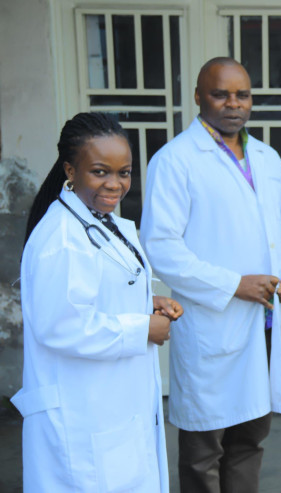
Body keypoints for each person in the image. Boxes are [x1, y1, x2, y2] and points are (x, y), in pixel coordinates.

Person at [140, 57, 281, 493]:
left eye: (242, 95)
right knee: (204, 450)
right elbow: (161, 247)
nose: (234, 104)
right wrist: (234, 284)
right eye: (221, 94)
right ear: (199, 97)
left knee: (250, 439)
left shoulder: (267, 158)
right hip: (211, 326)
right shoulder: (175, 160)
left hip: (262, 325)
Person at [11, 112, 182, 492]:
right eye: (100, 172)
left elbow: (96, 292)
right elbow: (63, 325)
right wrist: (143, 328)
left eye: (124, 172)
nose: (115, 184)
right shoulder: (62, 238)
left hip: (112, 405)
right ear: (70, 170)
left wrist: (145, 302)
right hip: (83, 413)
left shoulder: (101, 220)